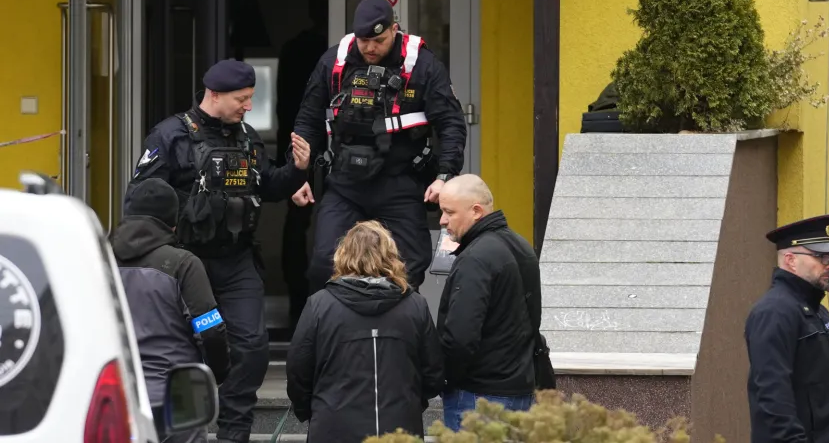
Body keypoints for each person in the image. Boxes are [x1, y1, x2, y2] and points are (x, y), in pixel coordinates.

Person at [124, 59, 311, 443]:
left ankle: (233, 432)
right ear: (215, 95)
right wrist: (195, 204)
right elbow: (140, 197)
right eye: (241, 99)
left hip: (237, 258)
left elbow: (268, 186)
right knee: (190, 343)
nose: (247, 106)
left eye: (249, 99)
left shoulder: (246, 136)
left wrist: (297, 170)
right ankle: (184, 430)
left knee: (253, 347)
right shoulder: (170, 135)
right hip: (185, 261)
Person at [290, 0, 467, 293]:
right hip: (346, 183)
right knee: (324, 265)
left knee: (408, 269)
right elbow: (308, 120)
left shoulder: (422, 66)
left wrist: (444, 177)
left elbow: (451, 124)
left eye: (379, 40)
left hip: (400, 182)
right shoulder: (334, 61)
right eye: (363, 41)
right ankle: (343, 330)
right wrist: (299, 176)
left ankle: (393, 332)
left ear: (395, 30)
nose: (370, 48)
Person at [286, 220, 444, 442]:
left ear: (343, 254)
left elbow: (298, 371)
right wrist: (411, 404)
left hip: (333, 427)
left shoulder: (319, 305)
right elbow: (433, 374)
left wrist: (310, 410)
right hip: (400, 428)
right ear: (391, 255)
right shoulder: (415, 306)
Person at [112, 178, 230, 443]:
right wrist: (218, 374)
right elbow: (210, 330)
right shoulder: (183, 264)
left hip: (119, 396)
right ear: (173, 222)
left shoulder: (99, 260)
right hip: (180, 399)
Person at [744, 214, 829, 443]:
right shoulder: (775, 312)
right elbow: (773, 398)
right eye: (821, 257)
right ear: (791, 260)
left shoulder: (813, 310)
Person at [435, 174, 539, 430]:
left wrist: (443, 379)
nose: (442, 221)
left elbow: (460, 337)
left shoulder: (476, 257)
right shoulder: (521, 245)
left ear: (476, 211)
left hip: (477, 396)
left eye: (449, 212)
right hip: (519, 390)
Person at [276, 0, 330, 328]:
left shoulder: (296, 47)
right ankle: (310, 304)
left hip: (299, 142)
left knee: (298, 223)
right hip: (316, 145)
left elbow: (284, 107)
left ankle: (301, 303)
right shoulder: (329, 53)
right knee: (304, 224)